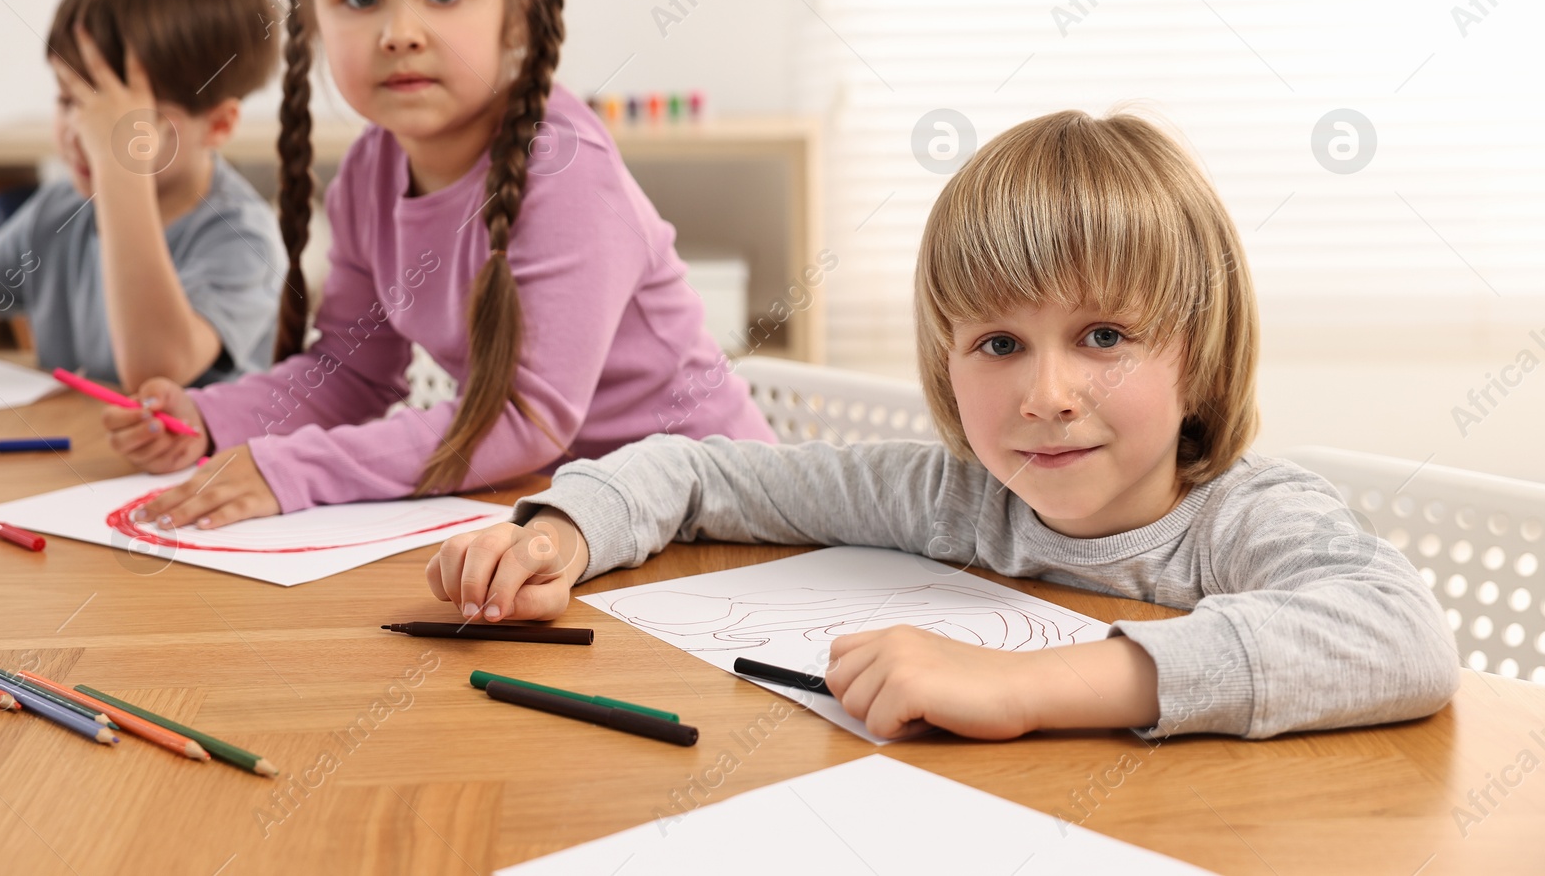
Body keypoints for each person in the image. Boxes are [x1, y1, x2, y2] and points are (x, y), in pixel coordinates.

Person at [428, 109, 1460, 742]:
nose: (1046, 394)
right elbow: (701, 473)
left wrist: (1023, 683)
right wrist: (560, 530)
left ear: (1197, 352)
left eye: (1103, 335)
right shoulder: (949, 494)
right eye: (998, 344)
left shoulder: (1245, 518)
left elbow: (1401, 637)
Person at [105, 0, 771, 525]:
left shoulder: (568, 174)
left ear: (519, 13)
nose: (400, 30)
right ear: (312, 21)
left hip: (712, 518)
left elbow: (524, 421)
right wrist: (209, 418)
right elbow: (353, 370)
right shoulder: (369, 171)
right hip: (571, 514)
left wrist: (294, 469)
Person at [0, 0, 283, 389]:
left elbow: (155, 371)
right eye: (70, 101)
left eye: (123, 121)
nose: (82, 132)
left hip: (200, 461)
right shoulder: (57, 212)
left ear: (219, 126)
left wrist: (120, 165)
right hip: (77, 450)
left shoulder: (242, 239)